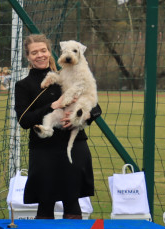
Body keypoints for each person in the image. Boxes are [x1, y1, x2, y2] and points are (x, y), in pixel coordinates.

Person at [14, 34, 101, 219]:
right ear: (28, 57)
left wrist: (84, 115)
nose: (40, 55)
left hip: (75, 147)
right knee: (45, 207)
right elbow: (24, 120)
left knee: (73, 205)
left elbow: (96, 108)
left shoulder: (68, 74)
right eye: (34, 52)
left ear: (50, 52)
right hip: (44, 151)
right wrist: (53, 105)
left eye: (43, 50)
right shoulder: (23, 85)